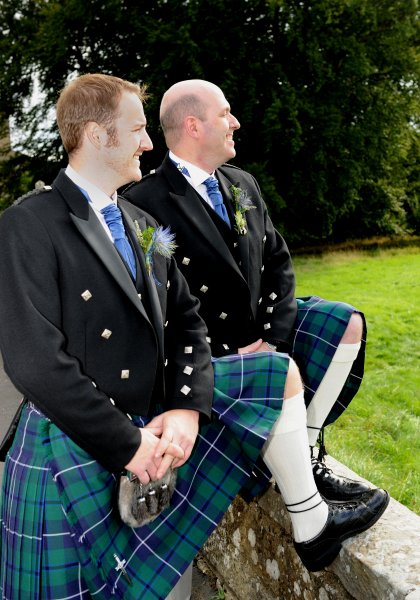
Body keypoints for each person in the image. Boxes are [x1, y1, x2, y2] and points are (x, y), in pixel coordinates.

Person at [0, 74, 387, 600]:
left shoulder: (141, 223)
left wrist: (186, 407)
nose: (147, 142)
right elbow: (35, 362)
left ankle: (310, 517)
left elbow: (185, 321)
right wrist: (128, 444)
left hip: (151, 422)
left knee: (272, 377)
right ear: (95, 135)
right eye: (136, 130)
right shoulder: (29, 223)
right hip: (68, 448)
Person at [123, 77, 390, 584]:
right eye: (226, 113)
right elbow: (162, 303)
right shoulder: (144, 204)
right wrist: (234, 348)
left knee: (346, 323)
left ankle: (305, 458)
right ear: (194, 126)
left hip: (262, 333)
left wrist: (274, 337)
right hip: (208, 350)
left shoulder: (241, 183)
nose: (236, 122)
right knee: (277, 371)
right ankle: (307, 509)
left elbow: (278, 263)